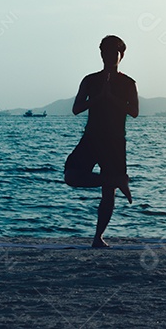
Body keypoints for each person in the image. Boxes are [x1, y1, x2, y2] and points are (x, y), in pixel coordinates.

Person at [64, 35, 139, 248]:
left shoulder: (128, 83)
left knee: (108, 195)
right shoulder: (90, 80)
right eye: (106, 53)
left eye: (114, 53)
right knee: (71, 175)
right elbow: (76, 109)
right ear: (101, 54)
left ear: (121, 56)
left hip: (114, 142)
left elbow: (134, 112)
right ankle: (114, 180)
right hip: (92, 138)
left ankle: (98, 238)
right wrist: (98, 98)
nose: (109, 57)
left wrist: (112, 98)